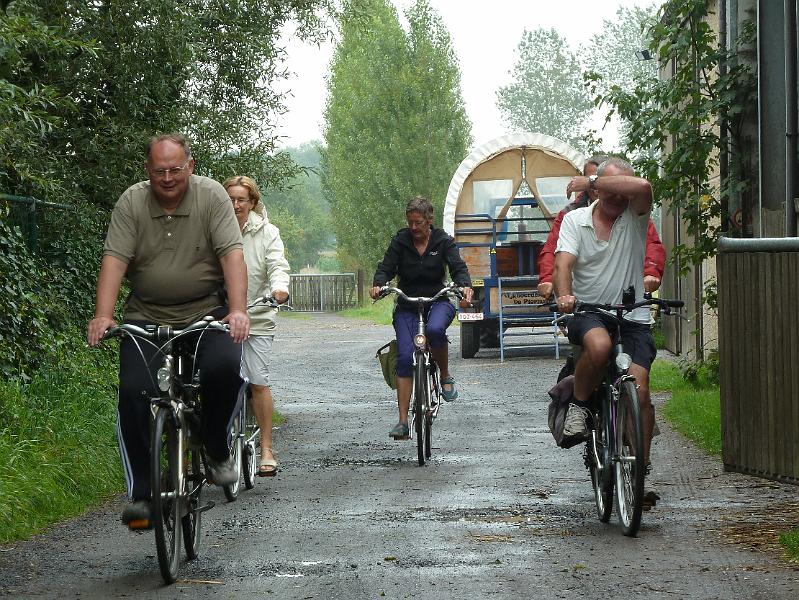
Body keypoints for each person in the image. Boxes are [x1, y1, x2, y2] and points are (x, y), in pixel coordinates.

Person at [87, 134, 249, 527]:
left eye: (175, 169)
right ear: (148, 170)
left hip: (205, 312)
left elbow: (232, 255)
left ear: (190, 167)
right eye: (159, 170)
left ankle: (214, 445)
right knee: (133, 394)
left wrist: (238, 311)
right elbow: (114, 259)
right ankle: (144, 495)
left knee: (224, 368)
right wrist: (103, 315)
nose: (168, 177)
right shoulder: (132, 201)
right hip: (147, 314)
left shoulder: (212, 198)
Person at [552, 157, 658, 501]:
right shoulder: (574, 220)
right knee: (597, 347)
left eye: (619, 189)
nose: (617, 197)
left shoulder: (636, 216)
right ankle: (580, 406)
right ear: (598, 191)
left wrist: (593, 180)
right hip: (590, 311)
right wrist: (565, 295)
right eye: (609, 190)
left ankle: (637, 475)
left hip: (632, 316)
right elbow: (562, 264)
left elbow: (642, 187)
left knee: (640, 392)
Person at [369, 196, 473, 439]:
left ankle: (445, 376)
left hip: (437, 300)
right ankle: (403, 422)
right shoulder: (401, 240)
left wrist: (464, 286)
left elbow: (458, 267)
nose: (414, 228)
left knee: (436, 331)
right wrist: (379, 284)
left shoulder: (443, 241)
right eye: (410, 223)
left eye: (418, 223)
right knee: (405, 356)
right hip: (407, 305)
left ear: (429, 220)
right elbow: (386, 267)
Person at [223, 175, 290, 477]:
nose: (235, 205)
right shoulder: (214, 227)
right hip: (220, 317)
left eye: (241, 199)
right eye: (231, 198)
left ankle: (266, 448)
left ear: (252, 202)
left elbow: (277, 264)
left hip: (257, 315)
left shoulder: (267, 232)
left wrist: (279, 289)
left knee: (258, 381)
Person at [537, 156, 666, 300]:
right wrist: (548, 279)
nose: (614, 193)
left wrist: (651, 272)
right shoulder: (571, 215)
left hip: (628, 306)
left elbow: (652, 244)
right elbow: (554, 250)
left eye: (614, 183)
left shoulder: (634, 215)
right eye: (597, 181)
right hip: (584, 304)